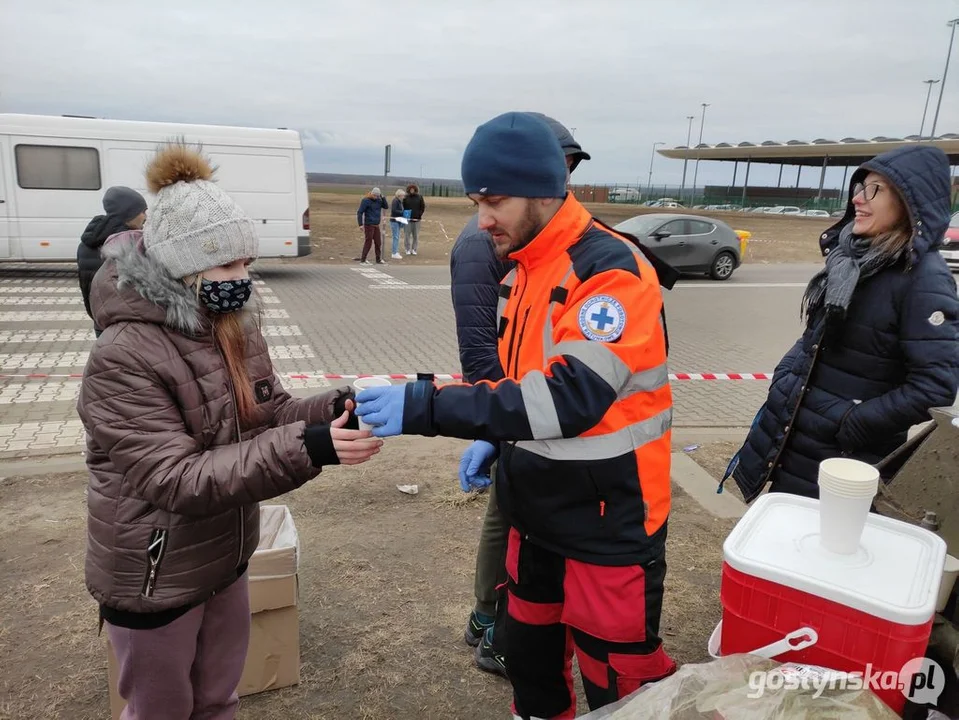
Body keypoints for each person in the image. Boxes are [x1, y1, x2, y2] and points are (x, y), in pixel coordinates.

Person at [356, 112, 677, 719]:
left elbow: (567, 399)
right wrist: (495, 439)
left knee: (617, 676)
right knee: (529, 661)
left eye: (494, 201)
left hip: (608, 522)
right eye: (477, 201)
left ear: (540, 189)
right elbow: (514, 382)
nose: (483, 220)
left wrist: (428, 407)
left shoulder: (609, 273)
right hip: (532, 512)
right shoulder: (523, 269)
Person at [77, 142, 382, 720]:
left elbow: (270, 414)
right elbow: (175, 478)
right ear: (180, 268)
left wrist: (338, 409)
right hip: (155, 577)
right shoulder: (123, 355)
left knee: (219, 701)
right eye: (227, 266)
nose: (243, 279)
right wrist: (311, 446)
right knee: (161, 711)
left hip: (226, 559)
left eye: (247, 263)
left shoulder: (231, 326)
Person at [725, 144, 959, 503]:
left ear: (910, 201)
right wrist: (786, 375)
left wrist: (852, 422)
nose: (859, 200)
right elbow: (814, 339)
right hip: (797, 443)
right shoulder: (850, 259)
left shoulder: (923, 279)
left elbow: (935, 385)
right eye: (859, 187)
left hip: (844, 463)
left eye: (875, 190)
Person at [450, 113, 590, 680]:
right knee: (504, 514)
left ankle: (495, 617)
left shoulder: (550, 238)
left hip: (535, 406)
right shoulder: (483, 243)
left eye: (571, 170)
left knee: (512, 513)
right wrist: (494, 423)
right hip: (515, 405)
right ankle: (490, 619)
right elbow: (482, 347)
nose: (567, 181)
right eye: (561, 168)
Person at [77, 186, 147, 337]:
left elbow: (87, 289)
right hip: (128, 325)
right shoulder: (131, 244)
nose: (145, 216)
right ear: (129, 213)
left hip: (101, 322)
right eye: (142, 211)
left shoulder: (85, 245)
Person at [355, 187, 389, 265]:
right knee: (368, 242)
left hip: (376, 225)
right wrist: (360, 224)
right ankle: (363, 260)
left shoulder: (379, 200)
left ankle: (378, 259)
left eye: (378, 196)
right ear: (372, 194)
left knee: (378, 242)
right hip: (368, 225)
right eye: (375, 196)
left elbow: (386, 206)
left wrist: (383, 198)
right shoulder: (365, 200)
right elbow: (360, 212)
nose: (376, 197)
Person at [403, 183, 426, 255]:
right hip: (407, 220)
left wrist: (419, 214)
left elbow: (422, 207)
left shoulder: (419, 197)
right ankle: (407, 249)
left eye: (413, 189)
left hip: (417, 220)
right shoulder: (405, 198)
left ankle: (414, 249)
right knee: (407, 235)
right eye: (410, 189)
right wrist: (405, 215)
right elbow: (403, 207)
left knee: (415, 236)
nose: (412, 190)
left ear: (415, 190)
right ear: (408, 190)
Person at [389, 188, 407, 260]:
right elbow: (394, 210)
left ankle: (396, 251)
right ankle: (394, 253)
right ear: (399, 195)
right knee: (395, 237)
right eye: (403, 196)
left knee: (397, 237)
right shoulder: (395, 201)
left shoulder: (399, 202)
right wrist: (403, 213)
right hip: (394, 221)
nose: (403, 197)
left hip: (398, 221)